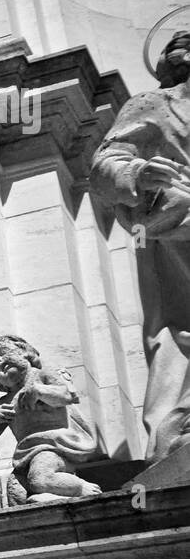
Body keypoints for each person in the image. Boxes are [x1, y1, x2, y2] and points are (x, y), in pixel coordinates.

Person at [90, 32, 190, 465]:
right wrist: (139, 172)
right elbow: (104, 164)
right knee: (177, 332)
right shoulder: (154, 104)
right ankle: (177, 429)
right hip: (176, 220)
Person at [0, 336, 102, 503]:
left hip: (52, 446)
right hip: (25, 455)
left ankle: (80, 488)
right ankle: (44, 499)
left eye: (5, 359)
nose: (2, 368)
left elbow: (67, 395)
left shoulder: (42, 376)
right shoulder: (5, 401)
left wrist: (39, 391)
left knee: (39, 479)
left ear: (25, 354)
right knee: (16, 491)